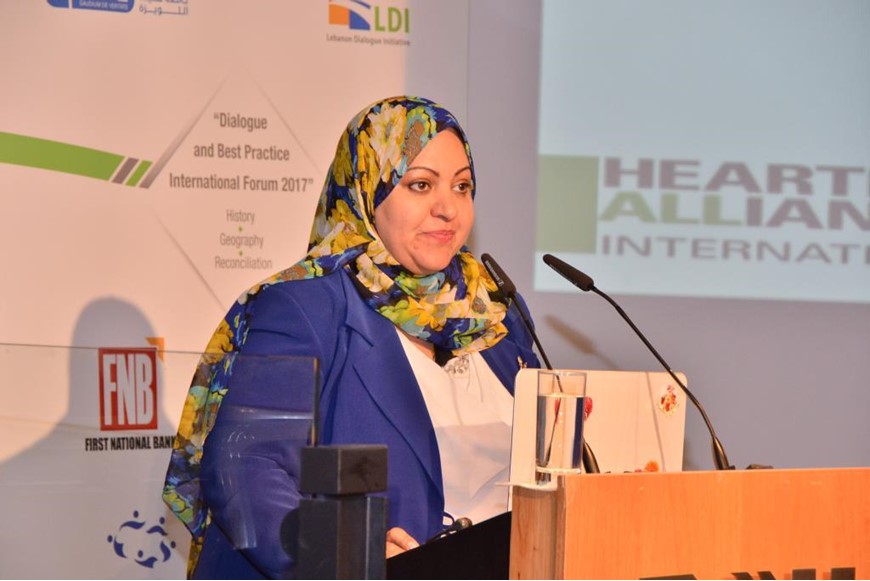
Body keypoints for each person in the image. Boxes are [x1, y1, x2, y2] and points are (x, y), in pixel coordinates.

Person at [163, 96, 540, 578]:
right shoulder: (307, 305)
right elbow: (243, 466)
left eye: (462, 186)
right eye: (420, 185)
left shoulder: (494, 310)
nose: (448, 208)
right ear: (367, 192)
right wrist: (342, 552)